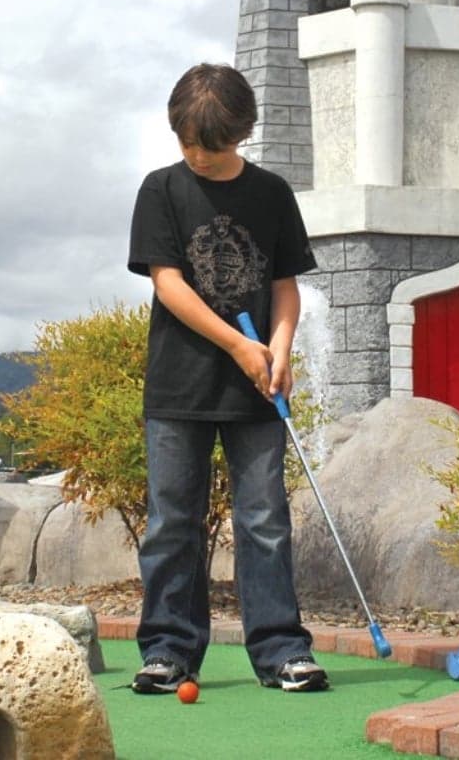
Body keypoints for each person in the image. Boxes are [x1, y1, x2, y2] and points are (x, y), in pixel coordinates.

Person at [125, 63, 328, 694]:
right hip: (179, 389)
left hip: (257, 391)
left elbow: (284, 285)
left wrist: (281, 347)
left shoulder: (271, 194)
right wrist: (242, 343)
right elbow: (169, 284)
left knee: (265, 518)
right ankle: (168, 650)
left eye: (209, 146)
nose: (197, 156)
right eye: (186, 142)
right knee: (172, 522)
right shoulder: (161, 190)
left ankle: (280, 651)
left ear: (241, 133)